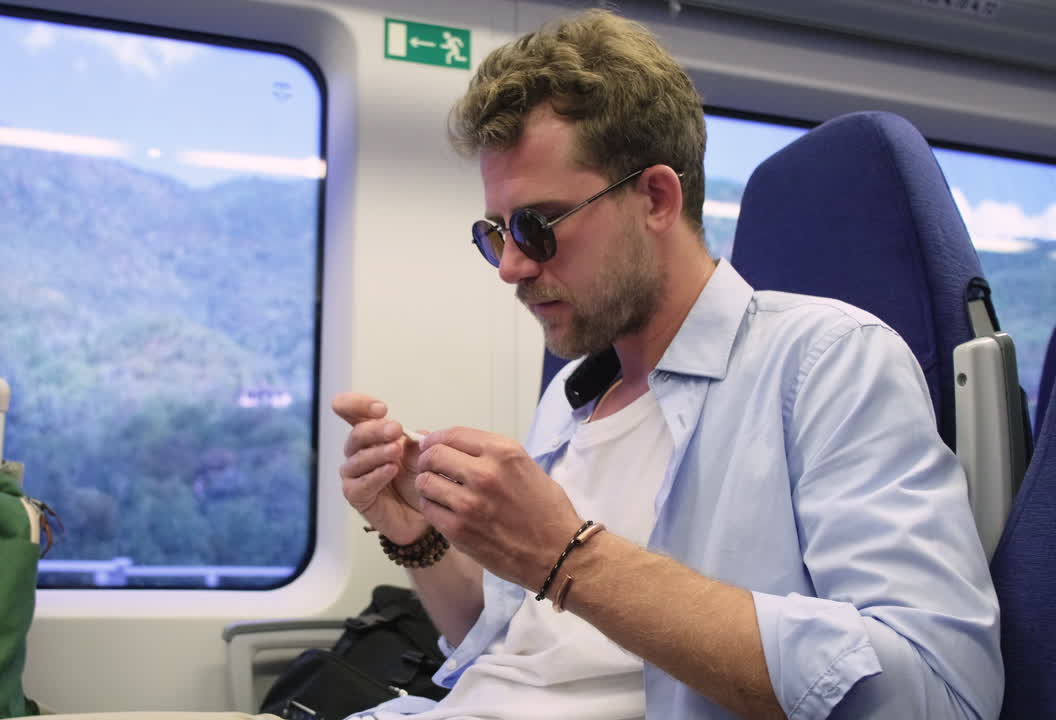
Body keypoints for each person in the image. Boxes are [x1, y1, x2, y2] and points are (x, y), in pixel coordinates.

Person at [332, 8, 1002, 720]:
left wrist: (569, 558)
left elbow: (938, 694)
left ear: (655, 198)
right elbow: (514, 650)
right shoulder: (571, 396)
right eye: (494, 233)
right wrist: (420, 536)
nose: (510, 267)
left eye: (536, 226)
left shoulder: (825, 364)